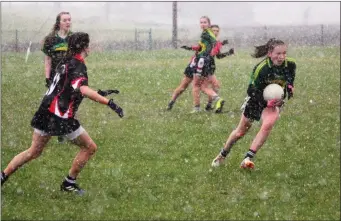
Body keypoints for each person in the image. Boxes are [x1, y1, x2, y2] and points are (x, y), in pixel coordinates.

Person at [1, 32, 124, 195]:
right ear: (84, 47)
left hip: (45, 111)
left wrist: (100, 92)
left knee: (33, 151)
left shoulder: (65, 61)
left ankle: (3, 176)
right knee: (89, 147)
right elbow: (82, 89)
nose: (90, 46)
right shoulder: (78, 65)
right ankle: (69, 183)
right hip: (60, 116)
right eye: (89, 44)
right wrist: (109, 103)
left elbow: (67, 87)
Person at [211, 38, 296, 169]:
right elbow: (251, 90)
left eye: (284, 53)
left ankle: (247, 158)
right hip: (256, 100)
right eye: (278, 53)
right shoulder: (262, 69)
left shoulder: (290, 65)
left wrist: (289, 88)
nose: (281, 57)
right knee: (240, 133)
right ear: (270, 53)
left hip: (274, 103)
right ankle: (223, 154)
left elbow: (290, 78)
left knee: (268, 124)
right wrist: (265, 101)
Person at [167, 22, 233, 112]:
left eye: (217, 31)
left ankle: (208, 105)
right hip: (195, 65)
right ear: (210, 31)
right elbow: (202, 48)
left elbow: (217, 55)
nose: (215, 32)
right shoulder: (209, 40)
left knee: (214, 85)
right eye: (213, 30)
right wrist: (190, 48)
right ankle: (172, 102)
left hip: (206, 65)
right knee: (185, 86)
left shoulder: (215, 42)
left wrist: (226, 50)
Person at [41, 12, 73, 143]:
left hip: (70, 77)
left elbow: (80, 58)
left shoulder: (74, 38)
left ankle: (64, 131)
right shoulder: (50, 39)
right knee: (53, 103)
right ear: (58, 22)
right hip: (55, 77)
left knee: (69, 103)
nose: (68, 22)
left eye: (69, 20)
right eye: (65, 20)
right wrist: (48, 78)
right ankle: (52, 129)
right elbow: (48, 60)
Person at [191, 16, 225, 113]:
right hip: (206, 61)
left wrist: (208, 55)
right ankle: (211, 102)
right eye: (201, 22)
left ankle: (199, 107)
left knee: (197, 85)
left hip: (202, 61)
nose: (202, 24)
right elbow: (205, 46)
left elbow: (215, 44)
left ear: (209, 24)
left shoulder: (207, 33)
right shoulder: (206, 33)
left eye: (205, 22)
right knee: (203, 85)